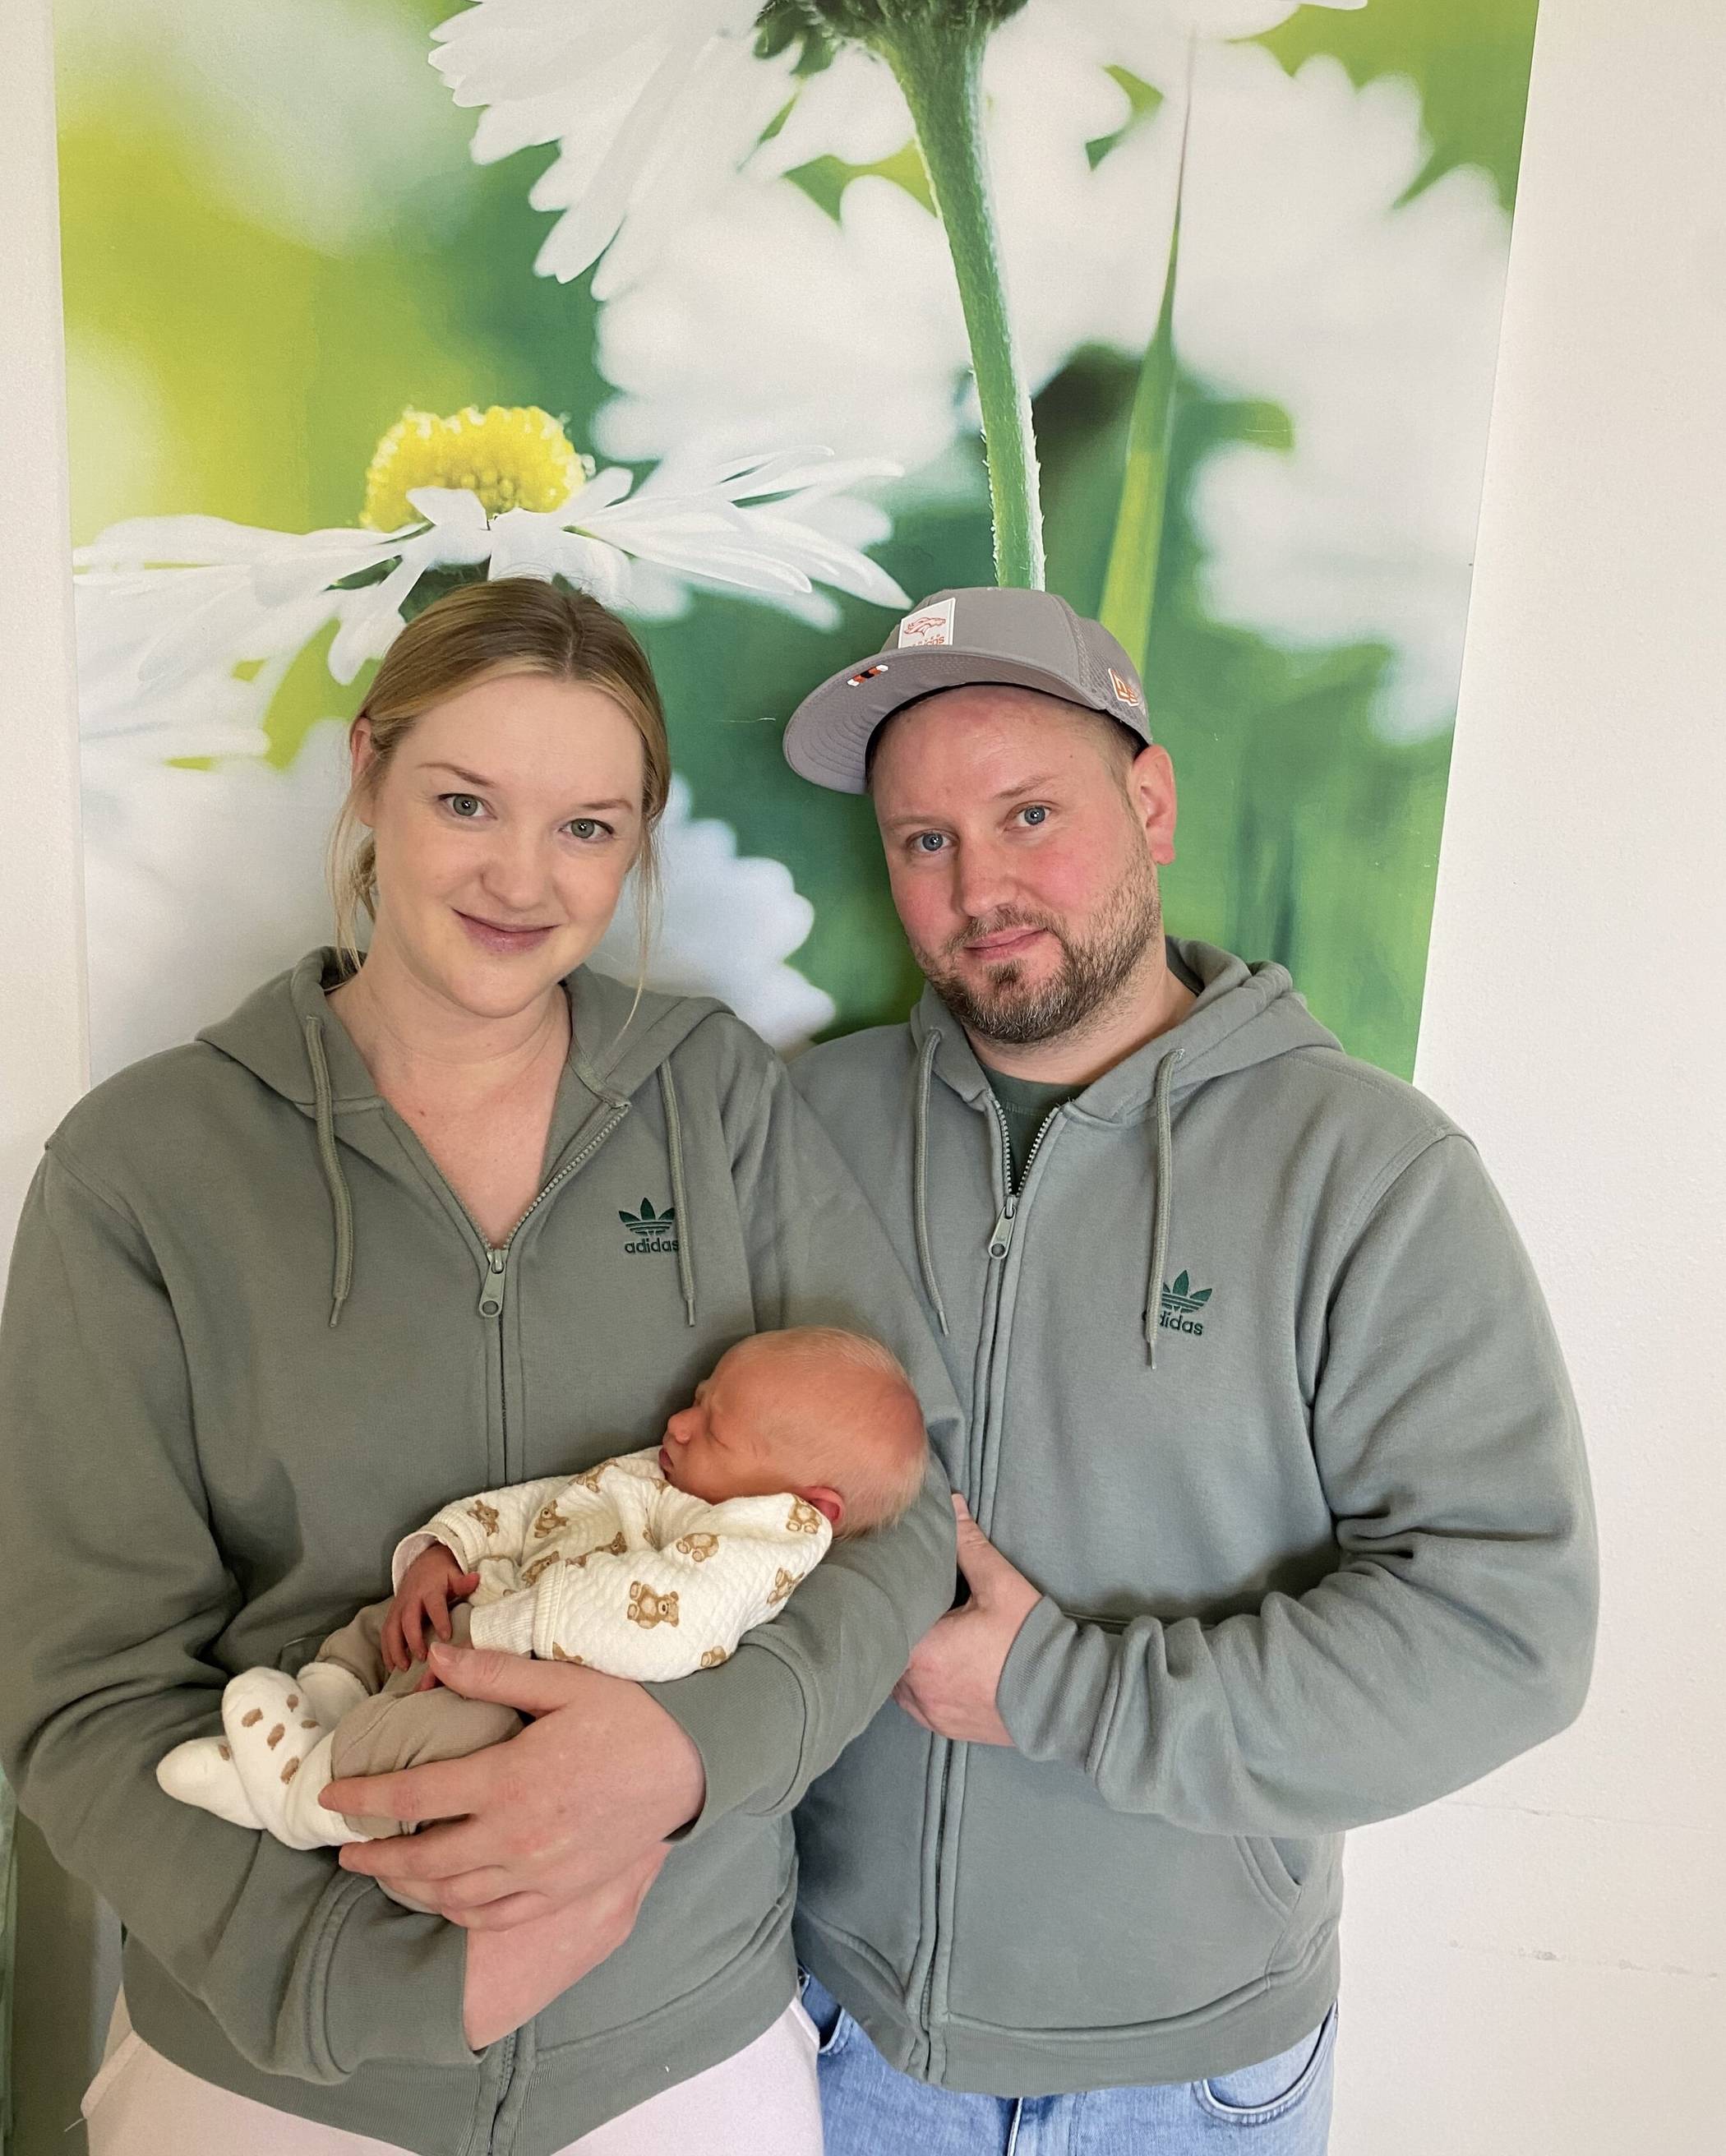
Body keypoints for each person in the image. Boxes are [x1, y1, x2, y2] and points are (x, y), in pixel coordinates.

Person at [0, 579, 961, 2156]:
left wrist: (681, 1761)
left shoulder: (713, 1100)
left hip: (680, 2063)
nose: (524, 878)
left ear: (638, 840)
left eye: (588, 826)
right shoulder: (143, 1167)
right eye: (465, 802)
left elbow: (896, 1509)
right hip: (272, 2085)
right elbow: (80, 1687)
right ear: (368, 774)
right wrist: (353, 1997)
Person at [780, 587, 1599, 2151]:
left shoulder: (1368, 1171)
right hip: (835, 2036)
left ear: (1148, 804)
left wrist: (1059, 1689)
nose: (980, 887)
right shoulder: (800, 1133)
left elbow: (1506, 1636)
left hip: (1183, 2086)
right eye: (923, 840)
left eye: (1031, 813)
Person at [156, 1325, 930, 1850]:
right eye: (698, 1398)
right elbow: (542, 1506)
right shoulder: (669, 1476)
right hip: (487, 1617)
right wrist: (443, 1549)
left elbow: (661, 1622)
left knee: (440, 1740)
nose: (681, 1423)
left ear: (809, 1504)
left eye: (715, 1428)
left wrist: (493, 1632)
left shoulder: (761, 1546)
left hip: (521, 1695)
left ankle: (304, 1796)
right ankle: (329, 1699)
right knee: (377, 1623)